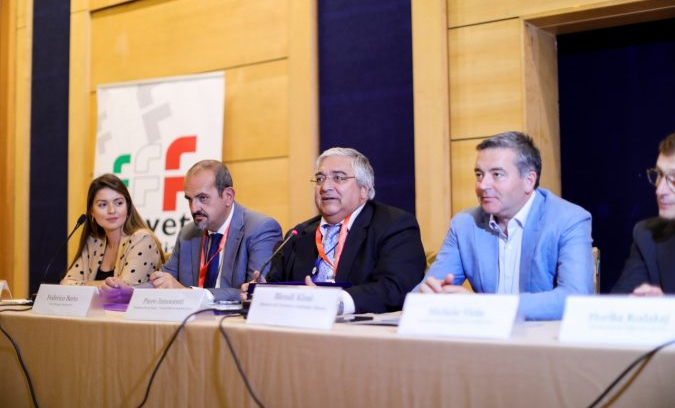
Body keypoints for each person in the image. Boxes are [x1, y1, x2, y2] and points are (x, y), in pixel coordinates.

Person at [416, 131, 594, 320]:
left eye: (497, 175)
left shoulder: (568, 220)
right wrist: (429, 294)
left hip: (544, 335)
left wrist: (484, 305)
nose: (483, 185)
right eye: (479, 174)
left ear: (529, 181)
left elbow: (574, 299)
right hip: (484, 336)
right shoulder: (464, 225)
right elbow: (427, 290)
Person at [244, 147, 427, 314]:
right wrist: (262, 292)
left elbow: (395, 287)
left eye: (338, 178)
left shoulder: (394, 225)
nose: (325, 187)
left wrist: (335, 302)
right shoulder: (298, 235)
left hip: (358, 330)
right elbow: (278, 284)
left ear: (364, 190)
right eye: (320, 179)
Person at [150, 160, 282, 301]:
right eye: (189, 199)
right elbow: (163, 282)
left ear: (228, 196)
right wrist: (133, 291)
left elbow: (256, 292)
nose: (194, 208)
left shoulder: (261, 229)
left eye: (203, 198)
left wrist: (189, 293)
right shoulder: (188, 234)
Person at [61, 174, 163, 289]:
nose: (112, 210)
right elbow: (66, 284)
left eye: (119, 203)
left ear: (128, 206)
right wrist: (101, 285)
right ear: (92, 212)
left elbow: (122, 291)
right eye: (103, 205)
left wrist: (87, 286)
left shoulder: (142, 239)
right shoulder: (93, 243)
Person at [612, 132, 675, 295]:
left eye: (673, 179)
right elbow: (621, 299)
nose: (660, 190)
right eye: (659, 175)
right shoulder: (648, 236)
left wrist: (667, 307)